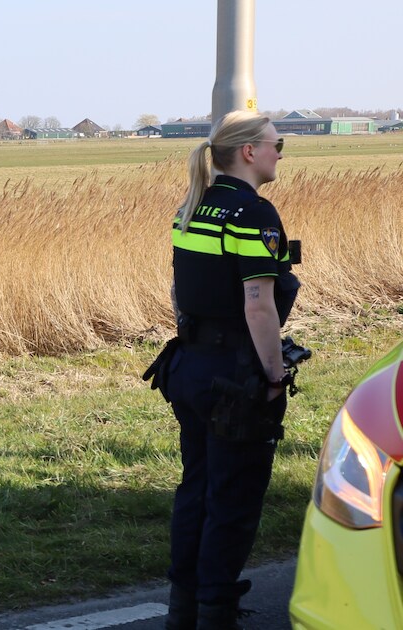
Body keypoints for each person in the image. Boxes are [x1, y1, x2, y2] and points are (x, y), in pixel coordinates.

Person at [162, 110, 299, 630]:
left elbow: (180, 294)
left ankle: (184, 606)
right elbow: (259, 306)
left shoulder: (191, 209)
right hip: (234, 375)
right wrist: (271, 376)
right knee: (234, 495)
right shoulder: (254, 215)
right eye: (275, 143)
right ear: (248, 152)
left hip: (190, 367)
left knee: (195, 485)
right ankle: (216, 611)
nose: (279, 152)